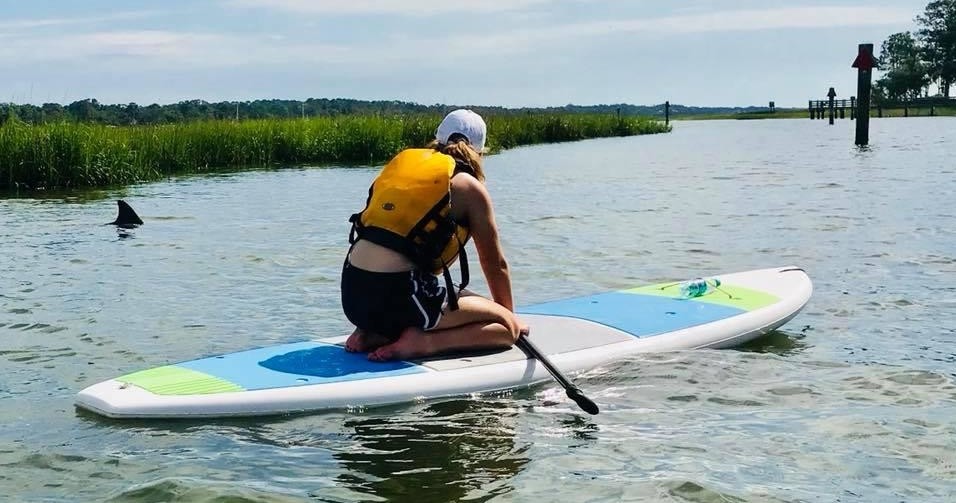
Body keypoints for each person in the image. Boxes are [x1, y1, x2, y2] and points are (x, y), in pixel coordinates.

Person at [341, 109, 525, 361]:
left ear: (437, 140)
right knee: (505, 329)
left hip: (352, 295)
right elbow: (495, 264)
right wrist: (508, 316)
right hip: (398, 298)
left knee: (462, 297)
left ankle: (369, 333)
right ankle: (423, 343)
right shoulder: (468, 186)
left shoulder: (405, 171)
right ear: (480, 152)